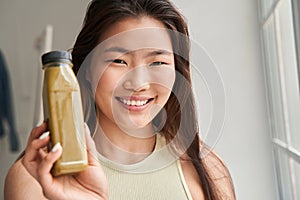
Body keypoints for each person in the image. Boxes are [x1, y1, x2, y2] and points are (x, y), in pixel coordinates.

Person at [4, 0, 235, 199]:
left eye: (158, 62)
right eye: (118, 61)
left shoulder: (208, 170)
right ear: (86, 69)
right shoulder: (33, 180)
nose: (139, 83)